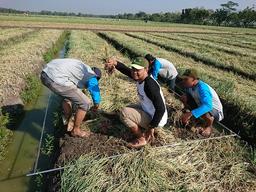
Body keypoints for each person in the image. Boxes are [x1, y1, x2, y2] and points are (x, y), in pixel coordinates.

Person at [105, 57, 168, 148]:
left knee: (124, 112)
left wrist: (151, 127)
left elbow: (161, 108)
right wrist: (115, 63)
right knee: (127, 108)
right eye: (133, 69)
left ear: (146, 69)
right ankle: (117, 116)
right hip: (148, 110)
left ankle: (142, 138)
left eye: (138, 70)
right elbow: (126, 70)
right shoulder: (141, 78)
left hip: (156, 119)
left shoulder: (150, 85)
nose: (134, 72)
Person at [40, 58, 102, 138]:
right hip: (56, 78)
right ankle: (76, 130)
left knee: (68, 96)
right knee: (85, 103)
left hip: (45, 73)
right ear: (97, 77)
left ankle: (67, 121)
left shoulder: (82, 69)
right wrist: (96, 105)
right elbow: (95, 93)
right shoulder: (92, 76)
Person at [180, 68, 224, 137]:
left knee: (205, 112)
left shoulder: (202, 88)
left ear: (194, 79)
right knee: (184, 97)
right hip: (201, 104)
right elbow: (188, 95)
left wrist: (191, 114)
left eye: (186, 79)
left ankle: (209, 126)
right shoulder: (190, 86)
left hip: (215, 111)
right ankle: (190, 115)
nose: (183, 81)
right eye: (183, 79)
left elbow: (208, 105)